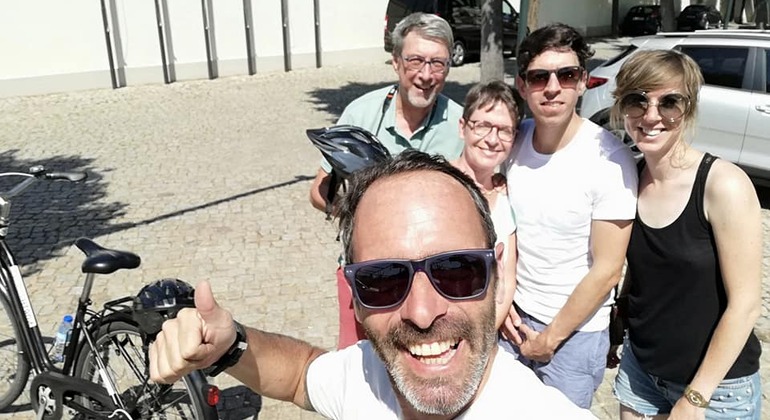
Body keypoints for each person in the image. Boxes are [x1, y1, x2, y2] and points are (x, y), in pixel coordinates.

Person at [149, 150, 596, 419]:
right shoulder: (368, 375)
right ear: (353, 295)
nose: (422, 312)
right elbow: (303, 376)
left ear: (497, 275)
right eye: (383, 280)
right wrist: (230, 346)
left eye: (457, 271)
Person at [610, 49, 762, 419]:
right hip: (641, 370)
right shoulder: (628, 177)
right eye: (637, 100)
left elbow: (746, 304)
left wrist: (696, 397)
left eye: (669, 102)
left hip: (716, 387)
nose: (651, 116)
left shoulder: (722, 184)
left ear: (689, 108)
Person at [500, 23, 639, 408]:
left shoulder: (609, 160)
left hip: (574, 337)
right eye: (539, 76)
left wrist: (550, 339)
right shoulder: (512, 141)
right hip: (512, 322)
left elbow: (608, 270)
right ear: (523, 85)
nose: (553, 87)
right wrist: (501, 303)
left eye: (567, 75)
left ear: (582, 83)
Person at [308, 12, 464, 349]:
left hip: (432, 282)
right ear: (395, 62)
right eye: (416, 61)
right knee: (358, 363)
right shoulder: (360, 115)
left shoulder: (461, 126)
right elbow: (319, 191)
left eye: (437, 63)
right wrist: (363, 217)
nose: (425, 75)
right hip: (367, 273)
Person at [450, 80, 520, 330]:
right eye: (482, 126)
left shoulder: (505, 198)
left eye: (504, 130)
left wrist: (484, 336)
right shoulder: (439, 187)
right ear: (463, 128)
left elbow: (507, 279)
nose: (492, 139)